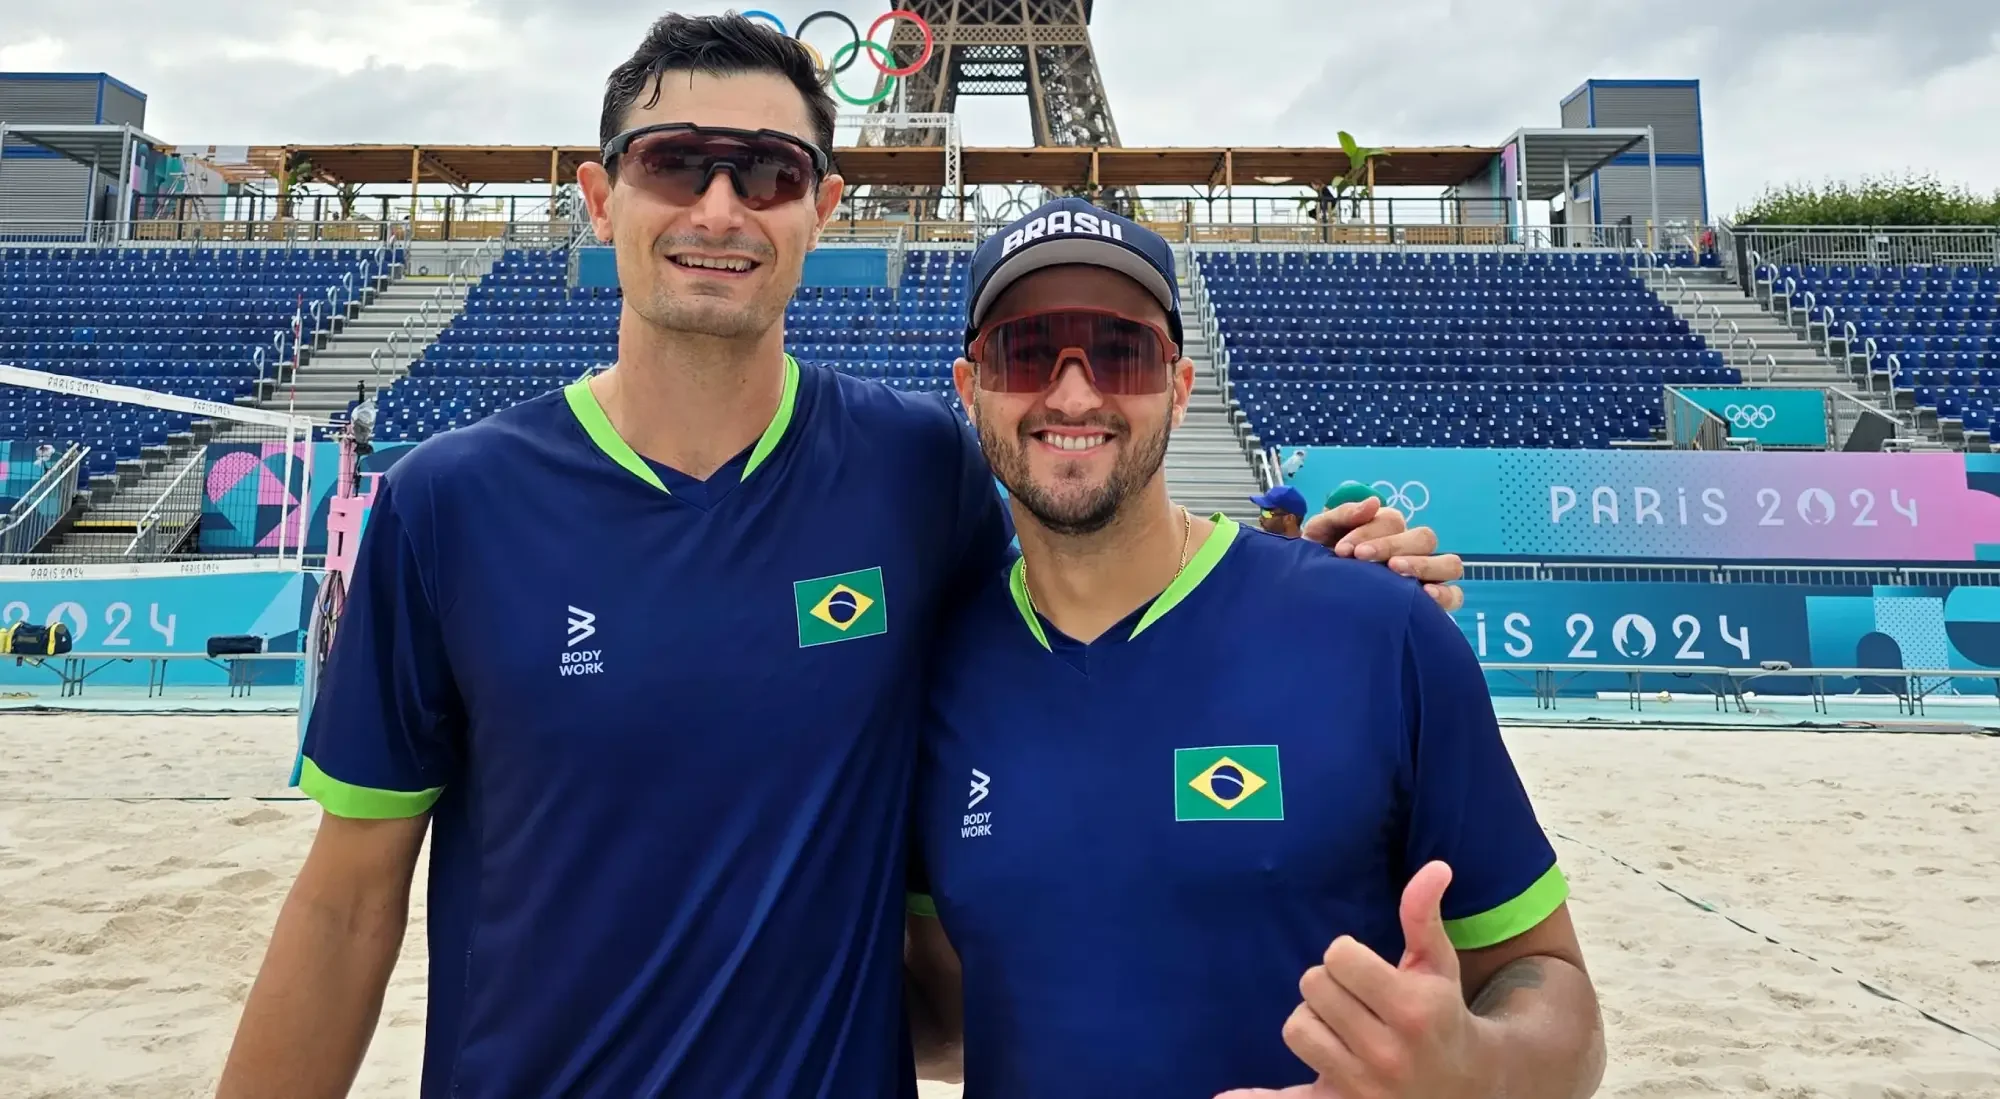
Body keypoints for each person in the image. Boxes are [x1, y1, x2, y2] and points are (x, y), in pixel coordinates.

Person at [214, 17, 1464, 1099]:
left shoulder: (914, 469)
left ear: (823, 207)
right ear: (601, 201)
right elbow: (344, 902)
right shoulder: (451, 503)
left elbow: (1095, 596)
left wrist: (1313, 582)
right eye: (675, 165)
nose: (719, 206)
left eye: (766, 172)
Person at [905, 201, 1605, 1099]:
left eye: (1119, 350)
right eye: (1026, 351)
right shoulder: (939, 669)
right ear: (969, 388)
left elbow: (1555, 992)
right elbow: (952, 1018)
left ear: (1181, 384)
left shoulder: (1379, 630)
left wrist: (1471, 1070)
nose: (1073, 393)